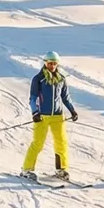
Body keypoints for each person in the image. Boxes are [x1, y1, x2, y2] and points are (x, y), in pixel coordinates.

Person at [19, 52, 78, 180]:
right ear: (45, 63)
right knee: (38, 143)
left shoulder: (61, 78)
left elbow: (65, 97)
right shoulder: (38, 79)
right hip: (42, 116)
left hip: (58, 116)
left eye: (54, 63)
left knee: (61, 142)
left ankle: (61, 169)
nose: (52, 66)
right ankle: (26, 169)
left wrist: (72, 111)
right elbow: (33, 98)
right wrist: (35, 112)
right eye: (50, 63)